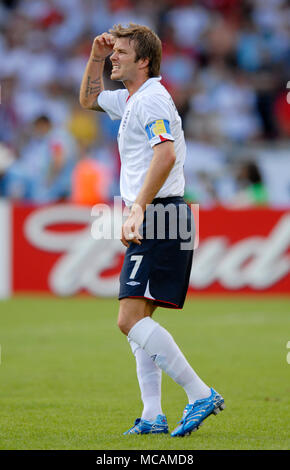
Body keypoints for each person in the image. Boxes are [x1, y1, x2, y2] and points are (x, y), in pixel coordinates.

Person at [79, 23, 225, 437]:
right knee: (138, 315)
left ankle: (199, 394)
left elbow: (164, 156)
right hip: (159, 214)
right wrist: (93, 55)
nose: (113, 58)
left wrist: (137, 210)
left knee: (128, 318)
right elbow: (88, 98)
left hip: (160, 213)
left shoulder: (152, 100)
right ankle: (151, 415)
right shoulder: (132, 99)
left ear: (144, 60)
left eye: (121, 52)